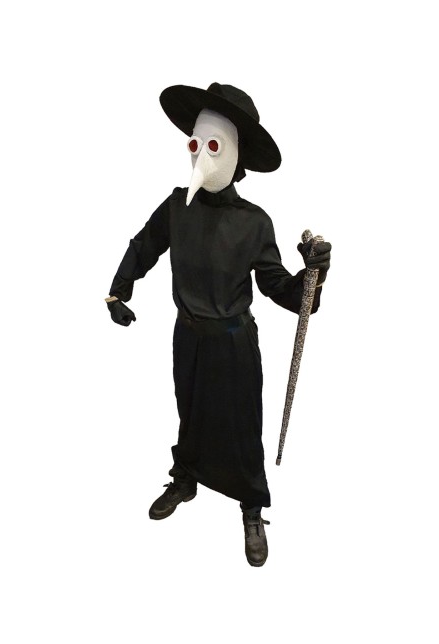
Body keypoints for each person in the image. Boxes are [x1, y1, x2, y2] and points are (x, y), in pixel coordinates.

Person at [105, 83, 331, 567]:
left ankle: (251, 507)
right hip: (187, 336)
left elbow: (282, 291)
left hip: (233, 342)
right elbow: (143, 246)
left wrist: (313, 275)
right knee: (190, 412)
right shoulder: (175, 208)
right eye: (195, 143)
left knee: (242, 425)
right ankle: (186, 477)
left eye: (214, 145)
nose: (201, 155)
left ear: (232, 153)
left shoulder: (254, 222)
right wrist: (117, 291)